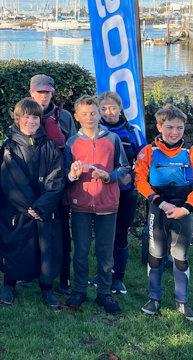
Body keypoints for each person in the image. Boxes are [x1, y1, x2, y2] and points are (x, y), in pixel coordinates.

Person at [135, 104, 193, 321]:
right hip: (158, 209)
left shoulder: (191, 153)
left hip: (182, 211)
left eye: (179, 128)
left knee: (181, 257)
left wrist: (186, 208)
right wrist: (160, 203)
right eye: (169, 127)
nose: (174, 132)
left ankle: (182, 302)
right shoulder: (149, 152)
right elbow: (140, 180)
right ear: (159, 127)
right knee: (156, 255)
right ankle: (154, 298)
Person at [0, 98, 65, 308]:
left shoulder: (49, 146)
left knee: (47, 248)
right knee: (15, 246)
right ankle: (9, 284)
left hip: (43, 210)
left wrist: (41, 206)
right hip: (17, 210)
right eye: (26, 117)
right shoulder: (9, 147)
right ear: (18, 119)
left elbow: (57, 176)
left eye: (35, 117)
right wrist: (29, 207)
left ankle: (46, 287)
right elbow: (10, 180)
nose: (31, 121)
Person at [64, 95, 129, 315]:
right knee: (80, 250)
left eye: (93, 113)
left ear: (99, 113)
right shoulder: (72, 142)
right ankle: (79, 290)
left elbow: (124, 168)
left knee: (105, 251)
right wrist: (72, 174)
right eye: (84, 114)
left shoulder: (112, 139)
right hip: (80, 203)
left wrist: (109, 176)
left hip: (107, 203)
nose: (89, 117)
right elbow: (65, 174)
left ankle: (104, 292)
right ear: (77, 117)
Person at [29, 73, 76, 294]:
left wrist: (68, 179)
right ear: (31, 93)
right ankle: (33, 272)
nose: (43, 96)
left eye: (47, 92)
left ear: (52, 93)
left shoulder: (64, 117)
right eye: (39, 92)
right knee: (34, 229)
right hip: (35, 185)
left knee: (62, 232)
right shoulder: (26, 115)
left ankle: (64, 276)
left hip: (60, 184)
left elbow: (74, 148)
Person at [98, 91, 146, 295]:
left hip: (126, 192)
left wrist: (132, 177)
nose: (109, 112)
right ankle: (102, 274)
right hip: (101, 193)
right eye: (104, 108)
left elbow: (144, 160)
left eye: (113, 107)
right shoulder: (95, 130)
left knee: (120, 235)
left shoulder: (132, 131)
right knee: (103, 236)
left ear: (120, 109)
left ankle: (118, 278)